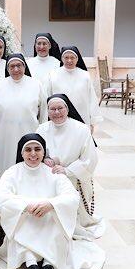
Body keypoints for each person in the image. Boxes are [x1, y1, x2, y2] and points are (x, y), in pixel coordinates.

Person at [0, 133, 105, 269]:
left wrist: (51, 204)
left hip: (49, 219)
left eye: (37, 149)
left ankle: (48, 265)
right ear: (21, 153)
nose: (33, 154)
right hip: (25, 218)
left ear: (43, 152)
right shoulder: (12, 172)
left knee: (55, 223)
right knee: (24, 225)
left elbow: (72, 196)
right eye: (28, 150)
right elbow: (1, 198)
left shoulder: (52, 172)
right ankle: (31, 264)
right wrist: (26, 205)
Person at [36, 94, 104, 239]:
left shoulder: (81, 129)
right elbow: (35, 153)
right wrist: (45, 160)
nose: (56, 112)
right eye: (52, 109)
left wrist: (67, 171)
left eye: (60, 108)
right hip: (49, 175)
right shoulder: (41, 129)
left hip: (74, 177)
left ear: (67, 109)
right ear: (47, 112)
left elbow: (90, 159)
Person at [0, 53, 47, 176]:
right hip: (4, 135)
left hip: (29, 133)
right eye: (12, 66)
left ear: (24, 67)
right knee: (5, 166)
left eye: (19, 65)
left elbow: (44, 111)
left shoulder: (36, 84)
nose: (16, 69)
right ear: (7, 69)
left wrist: (43, 133)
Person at [49, 46, 102, 133]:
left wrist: (93, 122)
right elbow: (49, 97)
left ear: (77, 59)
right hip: (59, 116)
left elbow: (91, 98)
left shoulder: (85, 75)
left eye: (72, 57)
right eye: (66, 57)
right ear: (62, 59)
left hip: (82, 116)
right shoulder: (53, 75)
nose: (69, 60)